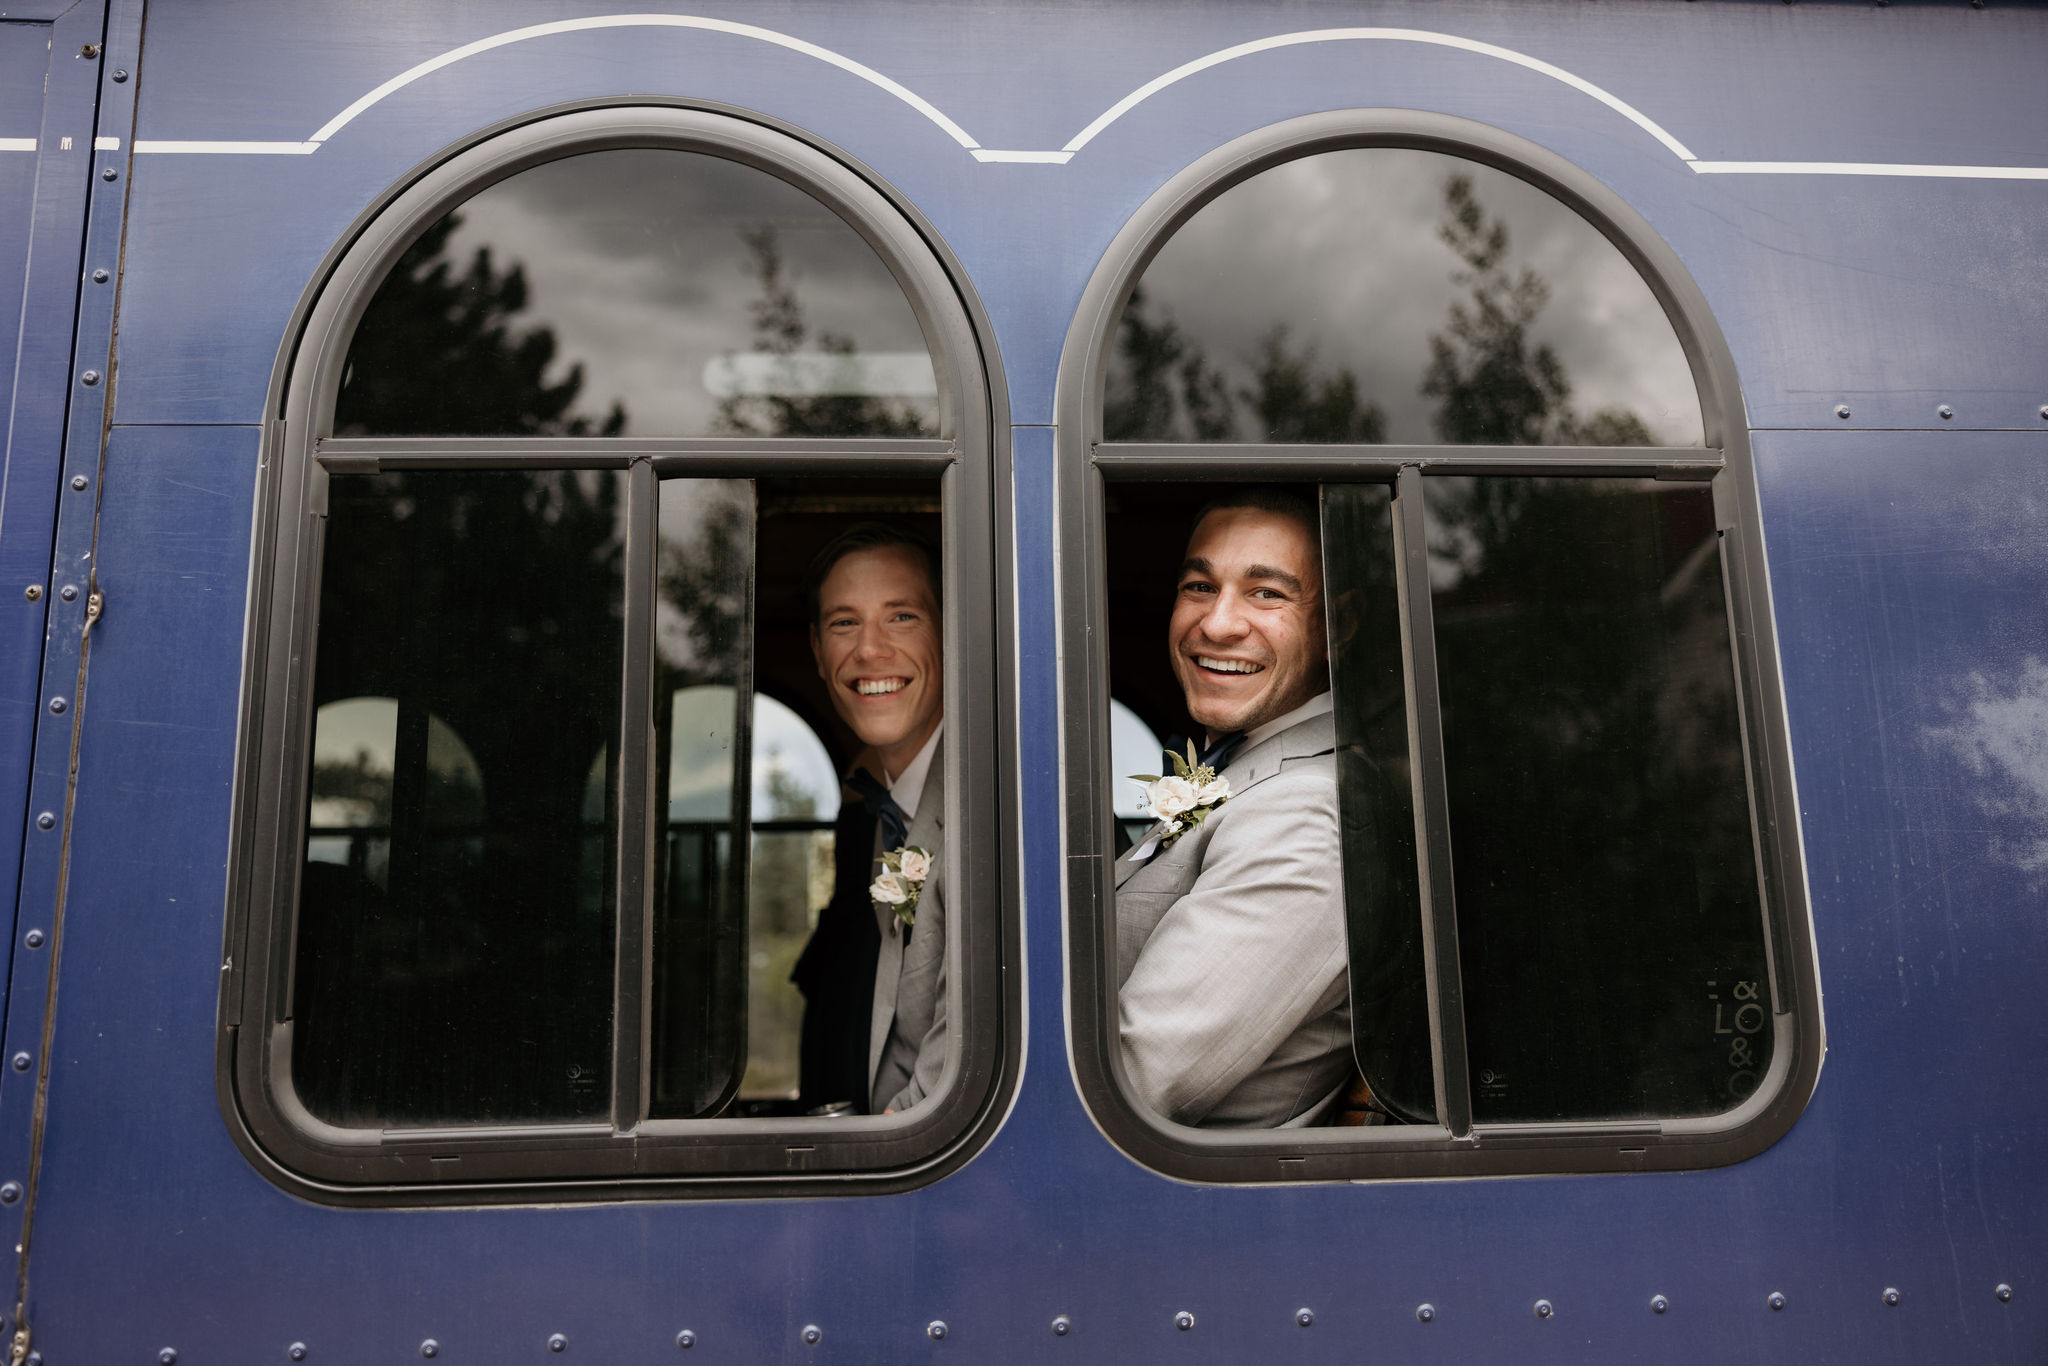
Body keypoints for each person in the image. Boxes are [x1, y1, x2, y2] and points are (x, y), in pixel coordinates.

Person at [1114, 488, 1351, 1128]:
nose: (1217, 624)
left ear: (1338, 627)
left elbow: (1126, 1083)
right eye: (1198, 586)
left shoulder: (1301, 813)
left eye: (1267, 593)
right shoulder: (1244, 769)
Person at [788, 524, 948, 1115]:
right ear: (817, 650)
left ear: (954, 628)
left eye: (901, 616)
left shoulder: (994, 810)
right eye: (843, 623)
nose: (869, 651)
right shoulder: (882, 812)